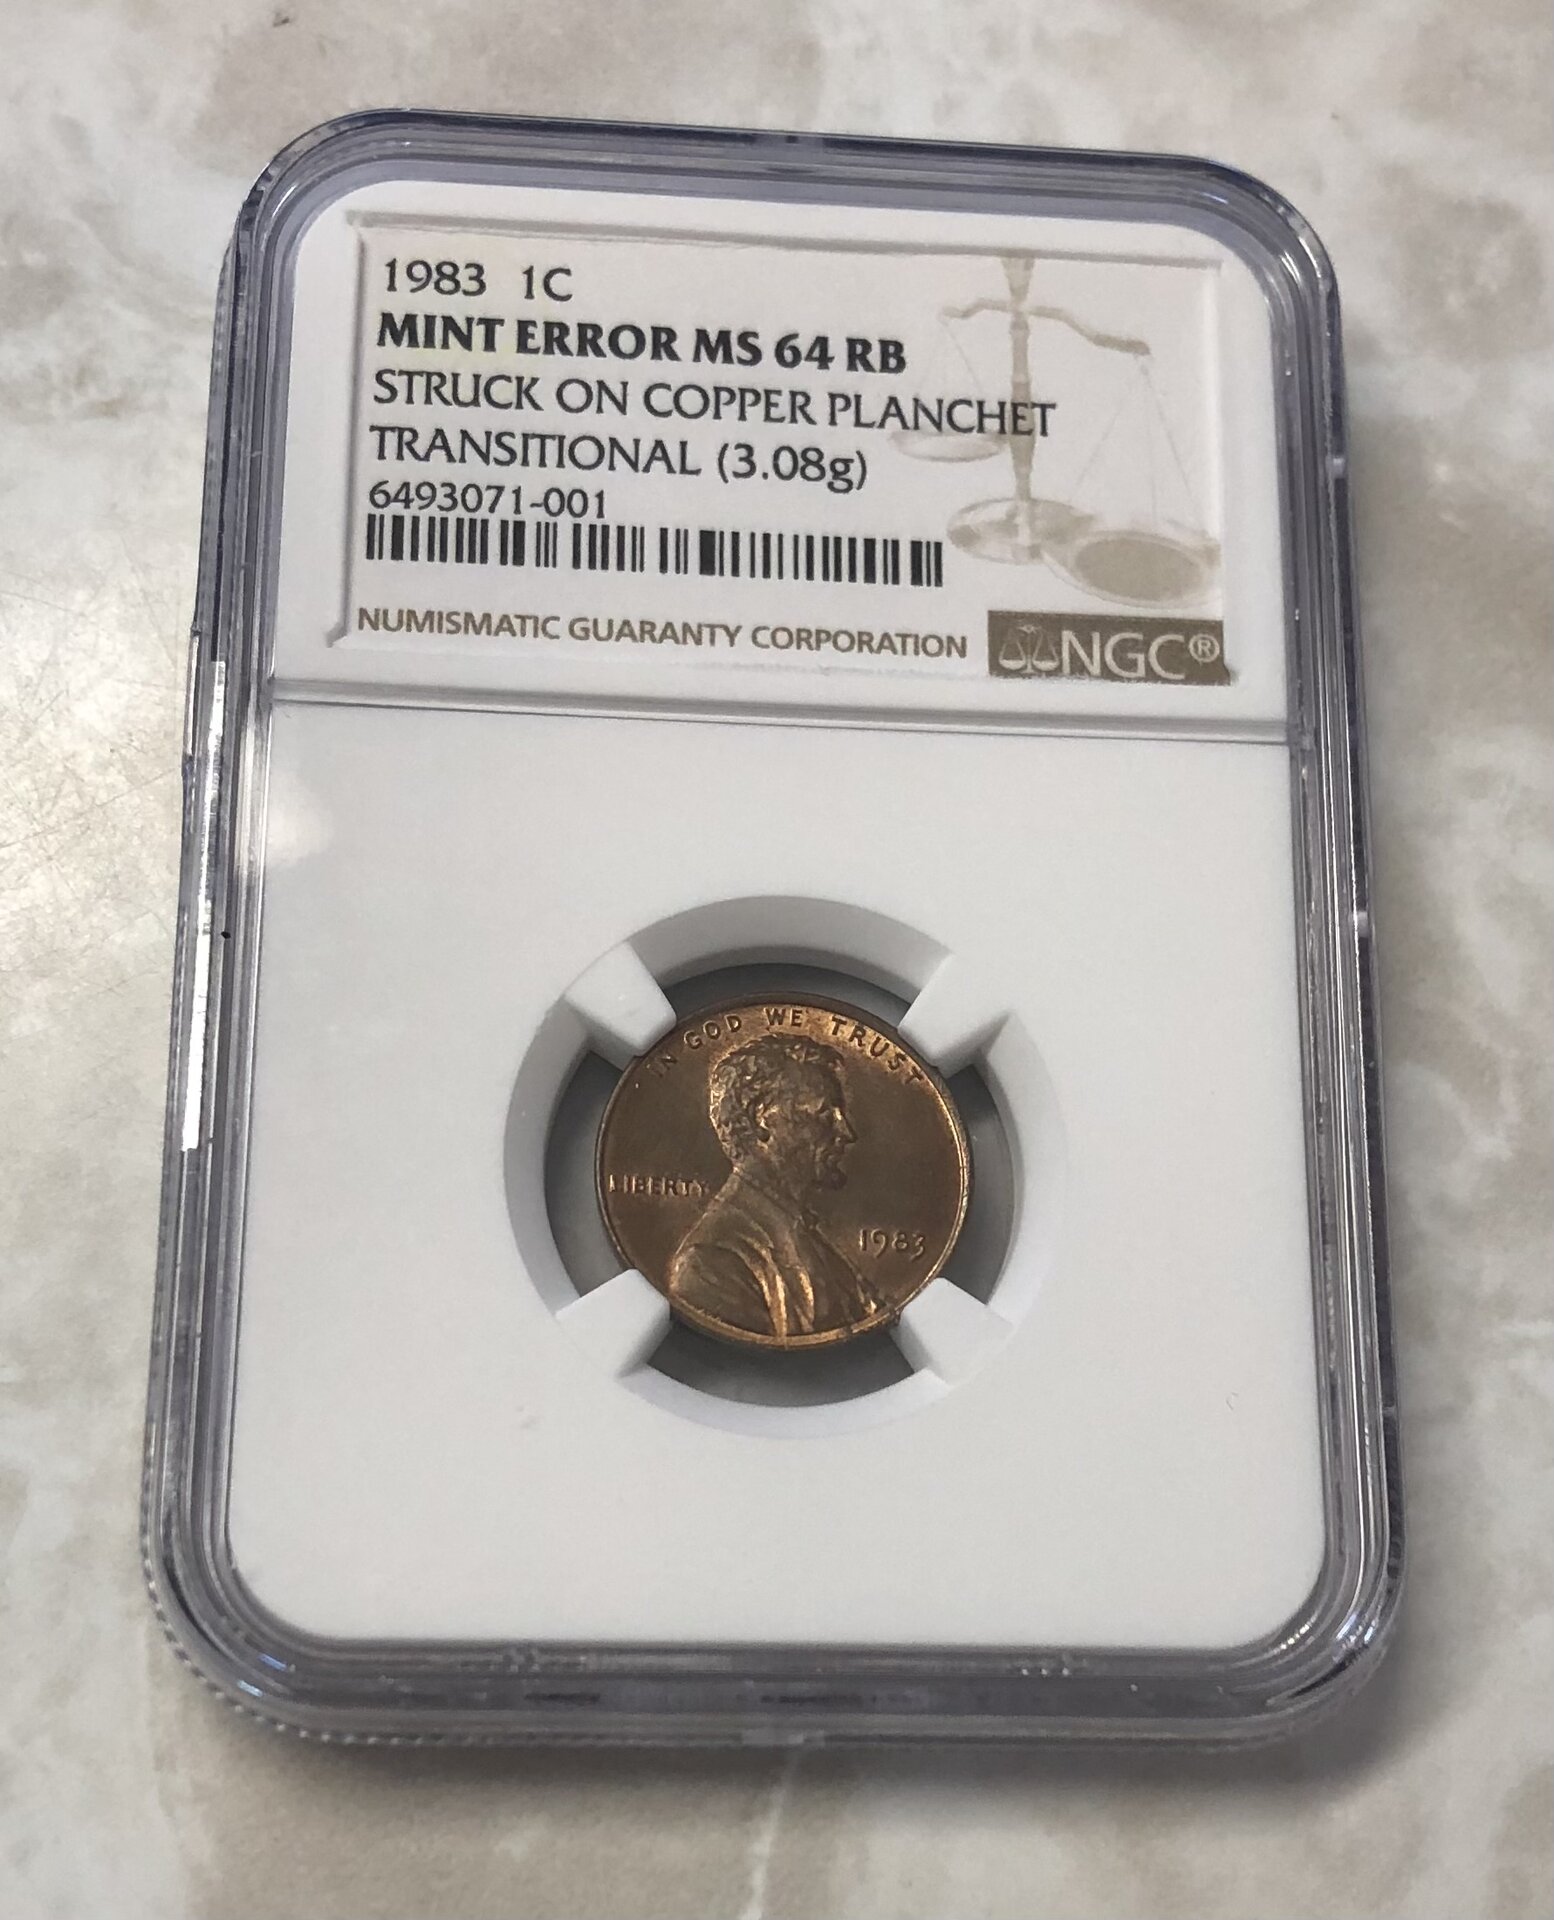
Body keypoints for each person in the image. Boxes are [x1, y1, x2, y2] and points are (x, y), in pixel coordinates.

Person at [668, 1032, 880, 1340]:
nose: (846, 1132)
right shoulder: (712, 1262)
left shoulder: (809, 1240)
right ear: (762, 1121)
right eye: (824, 1114)